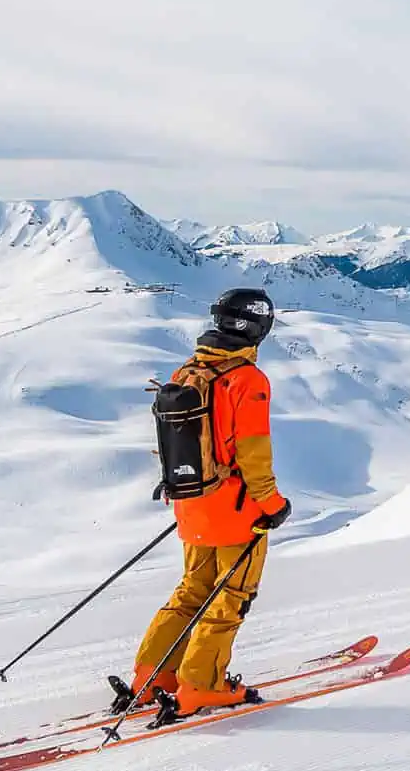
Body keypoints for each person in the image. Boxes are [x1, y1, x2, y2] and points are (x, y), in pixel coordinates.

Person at [122, 288, 292, 718]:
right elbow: (253, 453)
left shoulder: (187, 371)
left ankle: (150, 677)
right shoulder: (247, 380)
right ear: (258, 327)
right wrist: (271, 503)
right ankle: (202, 685)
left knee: (191, 590)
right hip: (236, 509)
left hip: (190, 501)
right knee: (231, 594)